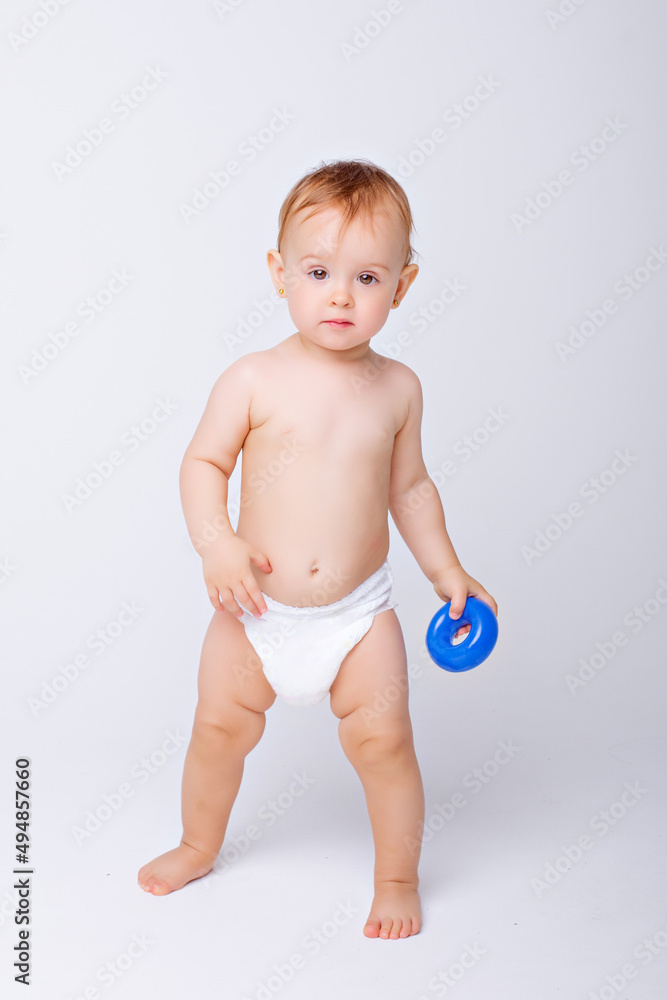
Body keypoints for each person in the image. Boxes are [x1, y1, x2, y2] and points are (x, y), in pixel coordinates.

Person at [138, 159, 497, 939]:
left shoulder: (398, 389)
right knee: (217, 730)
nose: (340, 295)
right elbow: (202, 464)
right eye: (318, 272)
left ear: (400, 286)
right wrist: (216, 544)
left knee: (384, 743)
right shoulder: (253, 378)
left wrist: (446, 571)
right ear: (279, 273)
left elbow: (410, 489)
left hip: (357, 616)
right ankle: (197, 844)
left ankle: (396, 878)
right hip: (255, 610)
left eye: (366, 278)